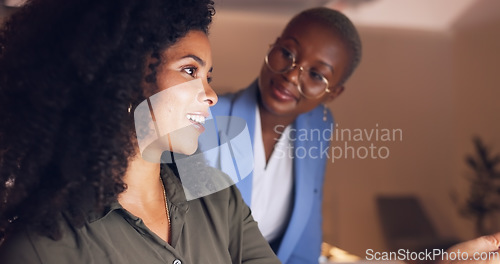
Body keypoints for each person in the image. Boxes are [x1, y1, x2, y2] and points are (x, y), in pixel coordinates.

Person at [0, 0, 280, 263]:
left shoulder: (218, 199)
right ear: (124, 78)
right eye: (189, 70)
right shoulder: (40, 248)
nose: (211, 95)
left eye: (208, 77)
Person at [209, 7, 362, 264]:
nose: (291, 75)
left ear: (333, 93)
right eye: (287, 53)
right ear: (273, 46)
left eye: (316, 74)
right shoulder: (207, 117)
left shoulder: (318, 127)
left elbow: (305, 234)